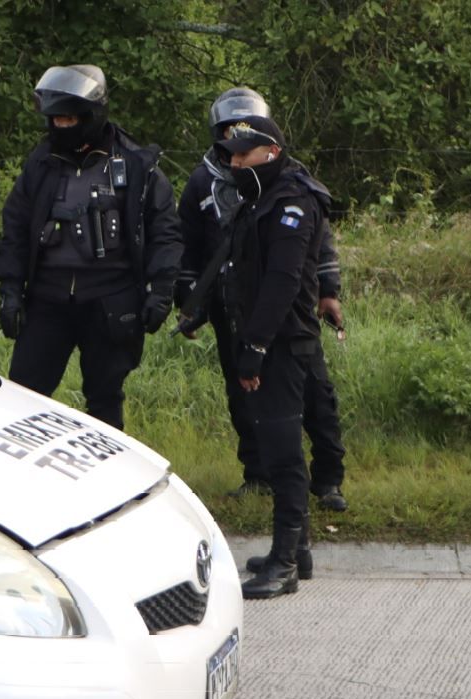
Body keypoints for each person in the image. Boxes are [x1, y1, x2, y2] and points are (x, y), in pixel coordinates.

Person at [177, 87, 349, 514]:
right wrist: (189, 301)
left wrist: (329, 291)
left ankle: (328, 479)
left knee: (315, 396)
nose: (236, 152)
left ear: (268, 147)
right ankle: (258, 474)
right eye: (228, 138)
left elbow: (317, 245)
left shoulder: (293, 184)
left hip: (290, 310)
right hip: (230, 307)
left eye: (245, 140)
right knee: (244, 395)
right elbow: (189, 245)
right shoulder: (202, 181)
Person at [0, 64, 181, 430]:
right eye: (55, 120)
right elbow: (15, 228)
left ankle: (113, 480)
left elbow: (165, 232)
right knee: (23, 395)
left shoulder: (136, 165)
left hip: (111, 300)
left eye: (69, 119)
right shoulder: (40, 164)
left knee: (105, 397)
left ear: (91, 114)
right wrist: (10, 290)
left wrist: (161, 290)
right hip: (47, 300)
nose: (60, 126)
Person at [190, 114, 322, 600]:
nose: (235, 162)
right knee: (275, 442)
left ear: (269, 153)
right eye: (230, 155)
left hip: (284, 343)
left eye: (244, 154)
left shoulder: (292, 202)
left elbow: (282, 284)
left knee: (283, 449)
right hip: (266, 339)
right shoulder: (259, 199)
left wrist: (256, 348)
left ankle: (285, 562)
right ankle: (297, 548)